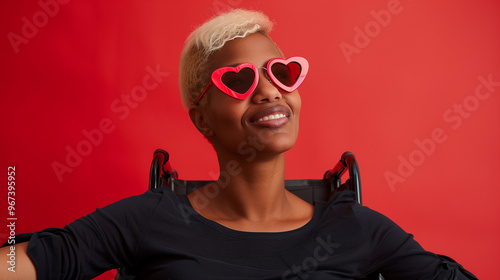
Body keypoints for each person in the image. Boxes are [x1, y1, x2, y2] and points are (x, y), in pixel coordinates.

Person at [1, 9, 477, 280]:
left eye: (281, 72)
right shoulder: (151, 218)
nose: (269, 90)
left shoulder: (356, 228)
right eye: (239, 79)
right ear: (202, 120)